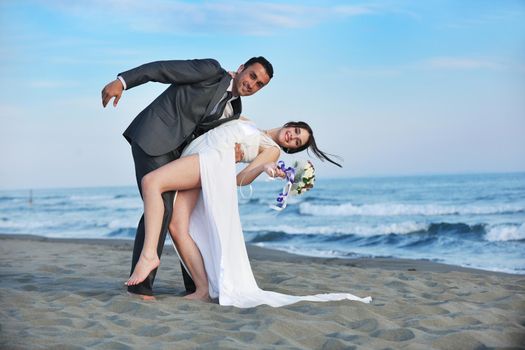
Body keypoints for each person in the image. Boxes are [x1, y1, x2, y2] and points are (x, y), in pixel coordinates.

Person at [125, 118, 372, 308]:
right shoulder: (250, 123)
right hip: (198, 155)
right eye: (296, 132)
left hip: (211, 162)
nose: (292, 138)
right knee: (178, 227)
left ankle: (150, 255)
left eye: (296, 143)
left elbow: (240, 179)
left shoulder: (272, 149)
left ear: (291, 150)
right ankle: (202, 289)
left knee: (152, 182)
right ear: (290, 124)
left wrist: (264, 167)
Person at [101, 57, 274, 299]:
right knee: (163, 205)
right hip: (154, 136)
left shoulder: (235, 110)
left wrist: (233, 152)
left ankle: (194, 286)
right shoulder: (211, 71)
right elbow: (162, 70)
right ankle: (139, 287)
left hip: (179, 154)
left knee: (184, 213)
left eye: (259, 85)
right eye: (252, 76)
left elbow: (211, 137)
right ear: (242, 68)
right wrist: (123, 81)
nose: (252, 84)